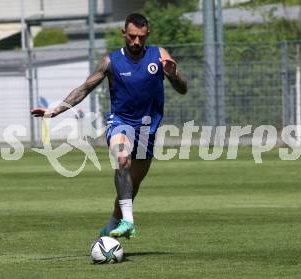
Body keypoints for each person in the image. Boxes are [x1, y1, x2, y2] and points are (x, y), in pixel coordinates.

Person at [31, 13, 187, 239]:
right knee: (122, 159)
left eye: (141, 38)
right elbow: (83, 89)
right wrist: (55, 110)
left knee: (131, 186)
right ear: (123, 33)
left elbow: (183, 88)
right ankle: (129, 222)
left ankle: (114, 222)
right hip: (120, 122)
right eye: (132, 36)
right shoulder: (111, 62)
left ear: (148, 35)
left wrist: (174, 76)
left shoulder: (159, 56)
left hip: (147, 130)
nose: (136, 42)